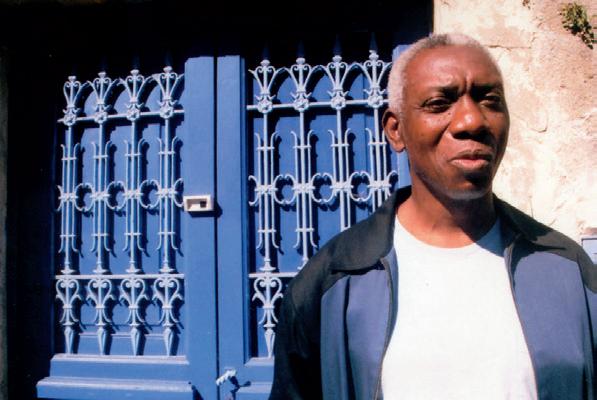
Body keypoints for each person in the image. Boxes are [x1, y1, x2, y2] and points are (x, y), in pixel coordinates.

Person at [269, 33, 596, 400]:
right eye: (439, 103)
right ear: (396, 130)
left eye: (490, 100)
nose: (472, 120)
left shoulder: (568, 271)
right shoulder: (333, 282)